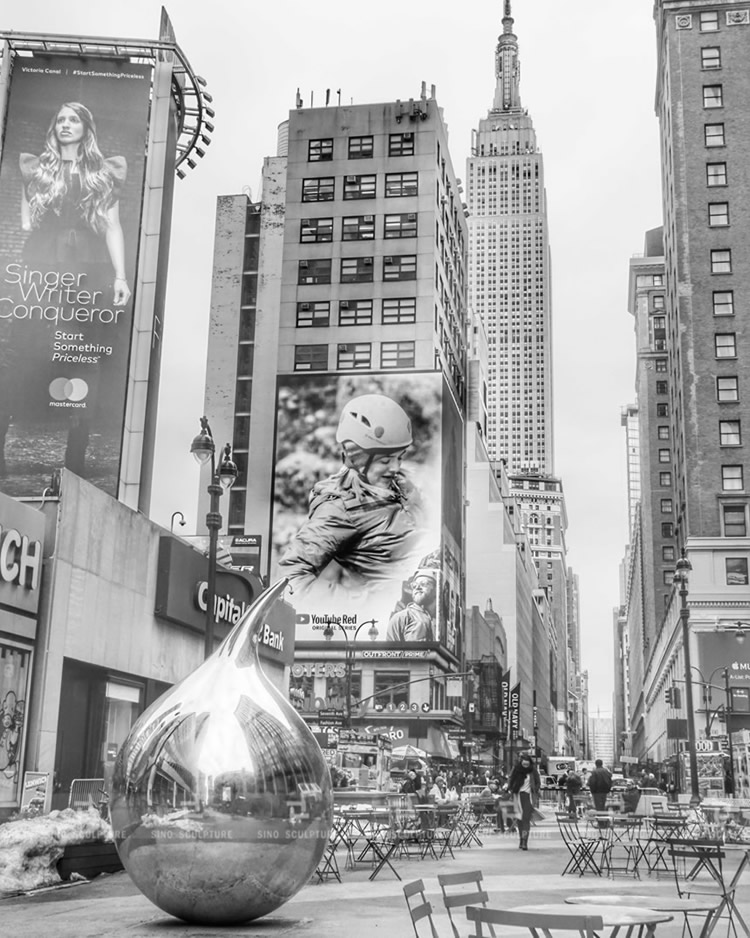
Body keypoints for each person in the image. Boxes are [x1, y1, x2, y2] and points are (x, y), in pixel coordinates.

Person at [279, 394, 425, 596]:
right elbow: (291, 577)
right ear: (356, 457)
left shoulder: (401, 486)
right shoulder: (340, 506)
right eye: (385, 461)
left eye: (399, 458)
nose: (395, 468)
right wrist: (354, 606)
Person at [20, 102, 130, 305]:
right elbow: (26, 222)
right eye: (60, 120)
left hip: (91, 258)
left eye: (73, 120)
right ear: (54, 128)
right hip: (43, 256)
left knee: (84, 320)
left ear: (86, 128)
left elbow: (112, 226)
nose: (65, 125)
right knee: (35, 317)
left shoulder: (103, 174)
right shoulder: (36, 170)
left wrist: (120, 276)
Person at [386, 569, 437, 641]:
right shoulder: (401, 618)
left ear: (435, 589)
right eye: (414, 585)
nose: (417, 587)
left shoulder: (438, 621)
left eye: (424, 584)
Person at [505, 754, 541, 850]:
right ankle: (521, 839)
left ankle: (525, 841)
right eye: (524, 764)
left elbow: (538, 782)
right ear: (521, 762)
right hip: (517, 796)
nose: (525, 766)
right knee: (519, 820)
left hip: (528, 797)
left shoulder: (533, 771)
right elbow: (510, 779)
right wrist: (511, 788)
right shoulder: (516, 769)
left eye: (527, 764)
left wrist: (535, 790)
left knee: (525, 819)